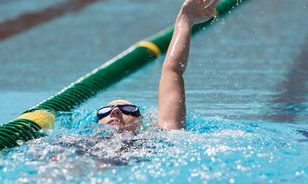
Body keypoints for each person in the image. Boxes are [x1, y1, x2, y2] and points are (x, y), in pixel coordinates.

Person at [95, 0, 221, 132]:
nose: (115, 111)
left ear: (141, 123)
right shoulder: (80, 142)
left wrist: (185, 20)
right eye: (104, 111)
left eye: (128, 110)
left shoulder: (158, 137)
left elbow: (172, 71)